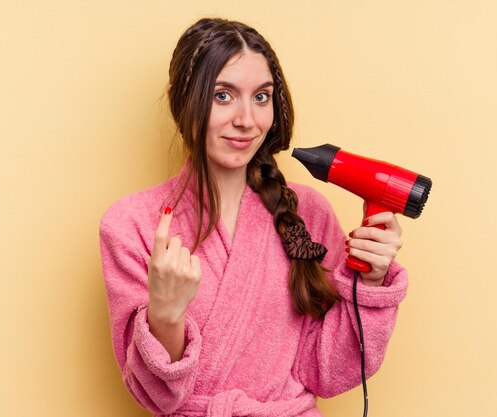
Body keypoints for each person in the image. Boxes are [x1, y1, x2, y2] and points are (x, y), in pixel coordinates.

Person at [99, 17, 408, 417]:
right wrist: (165, 314)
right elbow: (157, 397)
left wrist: (371, 281)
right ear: (180, 98)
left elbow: (327, 372)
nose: (247, 120)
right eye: (223, 96)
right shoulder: (130, 225)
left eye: (261, 97)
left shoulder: (309, 213)